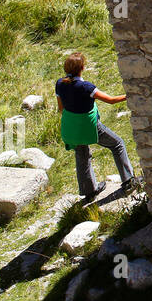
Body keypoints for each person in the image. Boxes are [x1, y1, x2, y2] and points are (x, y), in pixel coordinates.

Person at [55, 52, 138, 198]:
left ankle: (89, 190)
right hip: (89, 126)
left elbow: (61, 108)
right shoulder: (86, 87)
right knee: (117, 144)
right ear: (82, 68)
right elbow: (111, 100)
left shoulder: (60, 84)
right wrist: (130, 95)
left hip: (71, 127)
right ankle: (129, 181)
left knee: (82, 154)